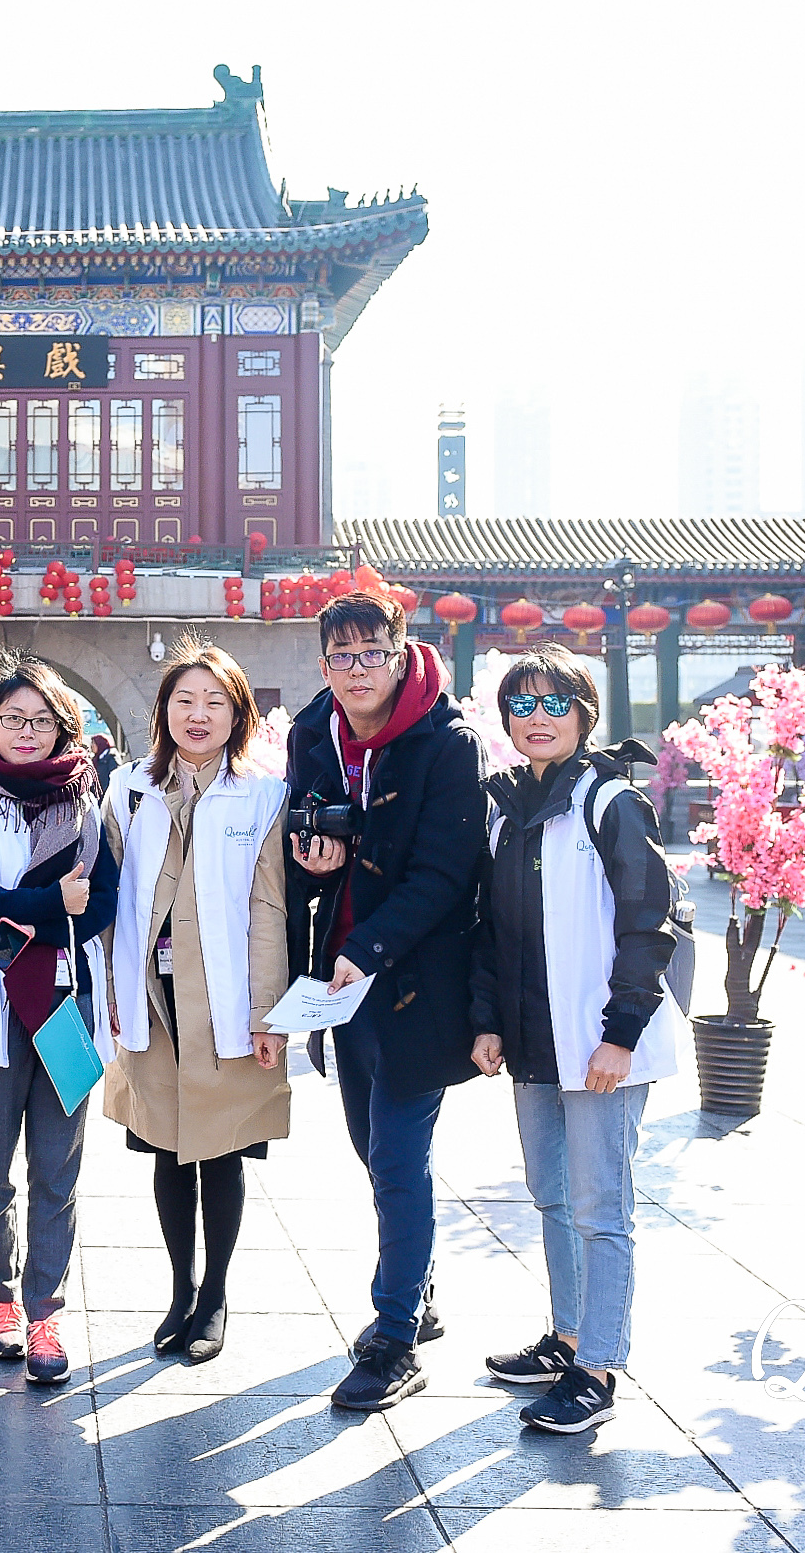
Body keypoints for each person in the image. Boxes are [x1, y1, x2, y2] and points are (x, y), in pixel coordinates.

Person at [283, 590, 487, 1413]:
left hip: (415, 982)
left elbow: (446, 873)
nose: (358, 669)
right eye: (342, 656)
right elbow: (294, 850)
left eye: (373, 652)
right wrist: (313, 862)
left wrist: (366, 948)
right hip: (341, 985)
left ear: (401, 654)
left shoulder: (447, 742)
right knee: (372, 1151)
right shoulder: (313, 733)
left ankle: (393, 1336)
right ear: (323, 664)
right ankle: (418, 1287)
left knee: (398, 1155)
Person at [470, 645, 678, 1434]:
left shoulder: (610, 802)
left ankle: (596, 1368)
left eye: (554, 703)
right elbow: (490, 930)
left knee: (600, 1207)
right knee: (551, 1194)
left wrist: (619, 1034)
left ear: (583, 714)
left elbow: (647, 922)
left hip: (598, 1045)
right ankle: (564, 1338)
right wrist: (487, 1020)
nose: (537, 718)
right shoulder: (505, 808)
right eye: (521, 705)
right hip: (533, 1042)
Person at [0, 654, 120, 1386]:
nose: (27, 731)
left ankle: (45, 1308)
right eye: (13, 718)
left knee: (58, 1166)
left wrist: (39, 915)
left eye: (41, 720)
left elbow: (100, 903)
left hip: (65, 1004)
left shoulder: (86, 801)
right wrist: (48, 907)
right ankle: (0, 1299)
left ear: (63, 727)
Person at [100, 645, 290, 1364]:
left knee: (222, 1147)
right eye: (184, 700)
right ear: (164, 711)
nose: (198, 714)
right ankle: (179, 1290)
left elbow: (268, 909)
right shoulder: (127, 790)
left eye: (215, 701)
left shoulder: (263, 797)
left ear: (238, 714)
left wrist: (266, 1011)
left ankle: (214, 1295)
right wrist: (112, 992)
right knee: (166, 1145)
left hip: (224, 998)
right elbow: (113, 903)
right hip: (151, 994)